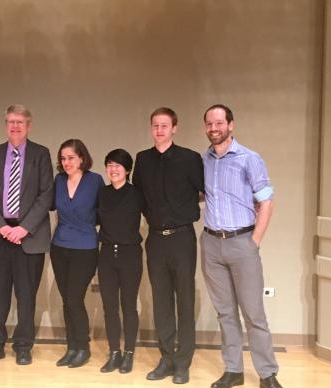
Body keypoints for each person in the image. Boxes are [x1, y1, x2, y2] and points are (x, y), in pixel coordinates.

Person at [201, 104, 282, 388]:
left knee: (253, 313)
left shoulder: (249, 158)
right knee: (225, 313)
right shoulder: (204, 160)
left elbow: (266, 200)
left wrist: (255, 241)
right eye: (209, 124)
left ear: (231, 125)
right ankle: (233, 370)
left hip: (242, 242)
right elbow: (201, 195)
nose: (214, 128)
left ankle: (267, 374)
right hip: (211, 244)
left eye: (219, 123)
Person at [0, 104, 53, 365]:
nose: (15, 126)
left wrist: (24, 227)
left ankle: (23, 346)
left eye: (20, 122)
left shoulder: (41, 154)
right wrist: (1, 226)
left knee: (26, 296)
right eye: (11, 121)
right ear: (6, 124)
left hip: (28, 236)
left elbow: (46, 195)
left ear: (29, 126)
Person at [133, 107, 203, 384]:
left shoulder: (190, 158)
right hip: (155, 238)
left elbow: (205, 190)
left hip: (183, 237)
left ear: (175, 128)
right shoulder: (143, 159)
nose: (159, 130)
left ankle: (183, 362)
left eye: (164, 125)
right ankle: (167, 358)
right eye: (155, 125)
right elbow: (138, 196)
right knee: (161, 301)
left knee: (184, 299)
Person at [51, 139, 103, 368]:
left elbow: (103, 213)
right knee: (67, 300)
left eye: (71, 157)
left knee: (75, 298)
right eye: (63, 158)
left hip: (85, 247)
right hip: (60, 247)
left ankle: (83, 347)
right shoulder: (59, 180)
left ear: (82, 157)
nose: (66, 162)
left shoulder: (95, 181)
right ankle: (71, 347)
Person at [97, 149, 144, 374]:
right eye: (109, 165)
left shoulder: (137, 193)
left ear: (127, 169)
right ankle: (114, 352)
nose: (113, 169)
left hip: (130, 254)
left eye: (118, 165)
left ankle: (129, 353)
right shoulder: (102, 193)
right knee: (109, 307)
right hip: (106, 254)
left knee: (128, 305)